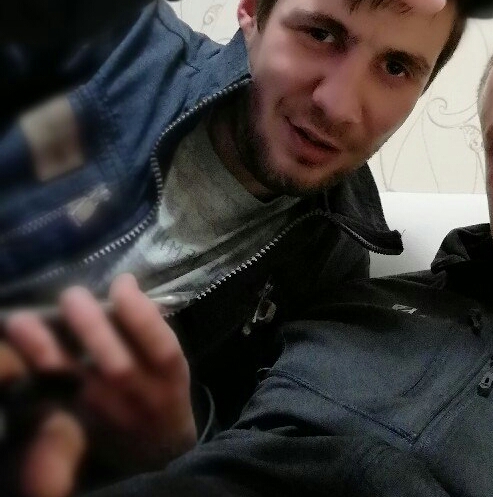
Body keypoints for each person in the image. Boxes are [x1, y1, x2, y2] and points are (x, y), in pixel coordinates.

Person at [6, 53, 492, 497]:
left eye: (395, 66)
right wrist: (174, 440)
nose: (337, 104)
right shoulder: (355, 305)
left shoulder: (332, 251)